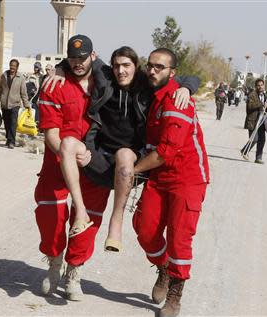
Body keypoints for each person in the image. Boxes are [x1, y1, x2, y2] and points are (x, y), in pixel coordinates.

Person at [52, 46, 200, 252]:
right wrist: (59, 68)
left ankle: (116, 223)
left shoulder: (147, 83)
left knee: (123, 154)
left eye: (126, 66)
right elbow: (80, 61)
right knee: (67, 143)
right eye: (116, 66)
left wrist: (186, 88)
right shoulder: (105, 76)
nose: (120, 71)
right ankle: (81, 213)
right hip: (100, 156)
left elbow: (188, 77)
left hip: (132, 163)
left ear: (136, 67)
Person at [132, 48, 209, 317]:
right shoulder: (154, 92)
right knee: (144, 228)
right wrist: (60, 68)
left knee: (179, 238)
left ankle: (175, 293)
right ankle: (164, 268)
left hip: (187, 179)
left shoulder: (177, 99)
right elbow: (109, 69)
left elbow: (166, 151)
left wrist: (131, 171)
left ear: (171, 73)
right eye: (150, 65)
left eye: (159, 67)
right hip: (160, 176)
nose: (152, 70)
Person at [34, 34, 111, 301]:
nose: (77, 63)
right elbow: (51, 134)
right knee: (49, 214)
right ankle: (54, 262)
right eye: (72, 58)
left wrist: (186, 85)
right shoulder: (54, 85)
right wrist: (67, 155)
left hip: (91, 161)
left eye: (83, 57)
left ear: (93, 55)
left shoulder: (107, 81)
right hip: (58, 160)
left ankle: (74, 271)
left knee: (89, 217)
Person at [0, 59, 30, 148]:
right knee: (6, 123)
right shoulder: (4, 76)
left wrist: (27, 105)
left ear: (17, 67)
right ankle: (8, 139)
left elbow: (23, 93)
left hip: (15, 104)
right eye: (11, 65)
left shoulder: (20, 78)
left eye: (14, 66)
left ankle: (12, 141)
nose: (12, 67)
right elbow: (0, 90)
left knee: (13, 122)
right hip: (4, 104)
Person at [240, 78, 267, 164]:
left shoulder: (265, 95)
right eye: (258, 85)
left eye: (262, 85)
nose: (260, 87)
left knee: (262, 140)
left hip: (262, 121)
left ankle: (258, 158)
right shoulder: (252, 94)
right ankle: (244, 150)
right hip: (253, 121)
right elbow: (250, 106)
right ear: (256, 86)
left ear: (264, 86)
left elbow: (266, 106)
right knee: (254, 139)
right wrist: (261, 104)